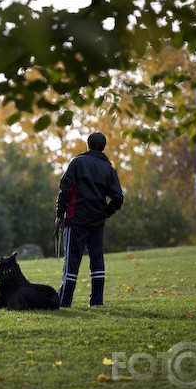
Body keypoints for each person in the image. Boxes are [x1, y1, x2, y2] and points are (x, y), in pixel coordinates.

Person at [55, 132, 124, 308]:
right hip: (97, 222)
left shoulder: (77, 162)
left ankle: (65, 301)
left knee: (72, 261)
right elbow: (118, 198)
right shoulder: (109, 169)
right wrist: (105, 213)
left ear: (88, 144)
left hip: (75, 220)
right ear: (104, 146)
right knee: (97, 260)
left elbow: (65, 188)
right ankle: (96, 302)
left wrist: (59, 214)